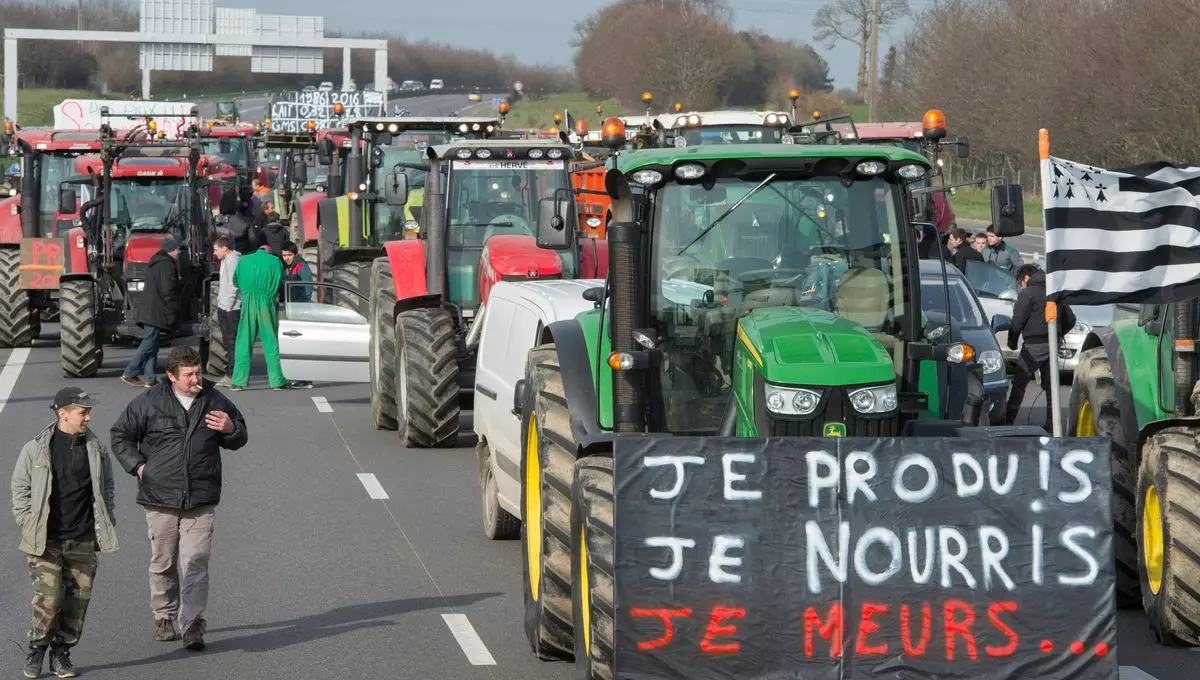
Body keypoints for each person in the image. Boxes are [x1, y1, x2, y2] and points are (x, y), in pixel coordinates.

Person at [109, 347, 248, 651]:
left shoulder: (216, 400)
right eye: (188, 374)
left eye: (198, 372)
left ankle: (193, 624)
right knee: (163, 563)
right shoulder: (149, 402)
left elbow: (239, 437)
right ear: (172, 376)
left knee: (196, 564)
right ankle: (163, 616)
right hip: (160, 498)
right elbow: (120, 435)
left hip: (201, 499)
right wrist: (139, 466)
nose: (195, 379)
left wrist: (230, 428)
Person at [12, 387, 118, 679]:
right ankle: (37, 648)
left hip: (83, 539)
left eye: (88, 411)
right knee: (50, 598)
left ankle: (62, 653)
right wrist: (27, 521)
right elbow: (19, 490)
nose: (88, 417)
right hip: (46, 540)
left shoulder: (95, 448)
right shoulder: (35, 448)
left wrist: (106, 517)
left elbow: (106, 487)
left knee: (76, 603)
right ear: (64, 414)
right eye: (83, 412)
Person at [1003, 264, 1077, 430]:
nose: (1021, 285)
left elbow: (1017, 321)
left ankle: (1008, 421)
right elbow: (1071, 319)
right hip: (1052, 344)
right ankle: (1052, 424)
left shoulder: (1028, 293)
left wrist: (1012, 342)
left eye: (1020, 281)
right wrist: (1058, 333)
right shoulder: (1055, 292)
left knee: (1020, 383)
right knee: (1051, 385)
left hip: (1033, 345)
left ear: (1026, 277)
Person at [231, 245, 306, 390]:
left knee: (243, 341)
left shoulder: (243, 260)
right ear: (270, 252)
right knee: (271, 342)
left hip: (248, 302)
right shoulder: (274, 262)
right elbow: (282, 282)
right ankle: (277, 381)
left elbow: (235, 281)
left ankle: (238, 381)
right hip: (267, 302)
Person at [121, 237, 180, 388]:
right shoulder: (167, 265)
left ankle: (149, 378)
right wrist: (173, 310)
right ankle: (130, 372)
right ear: (171, 250)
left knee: (152, 344)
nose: (179, 251)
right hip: (156, 311)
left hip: (148, 309)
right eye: (177, 249)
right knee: (149, 343)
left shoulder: (154, 263)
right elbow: (168, 290)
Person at [212, 237, 241, 388]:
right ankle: (229, 373)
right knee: (227, 342)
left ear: (225, 248)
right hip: (224, 306)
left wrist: (228, 305)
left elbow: (233, 284)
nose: (214, 252)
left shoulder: (233, 260)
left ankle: (233, 375)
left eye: (216, 249)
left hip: (232, 308)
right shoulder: (225, 261)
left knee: (232, 342)